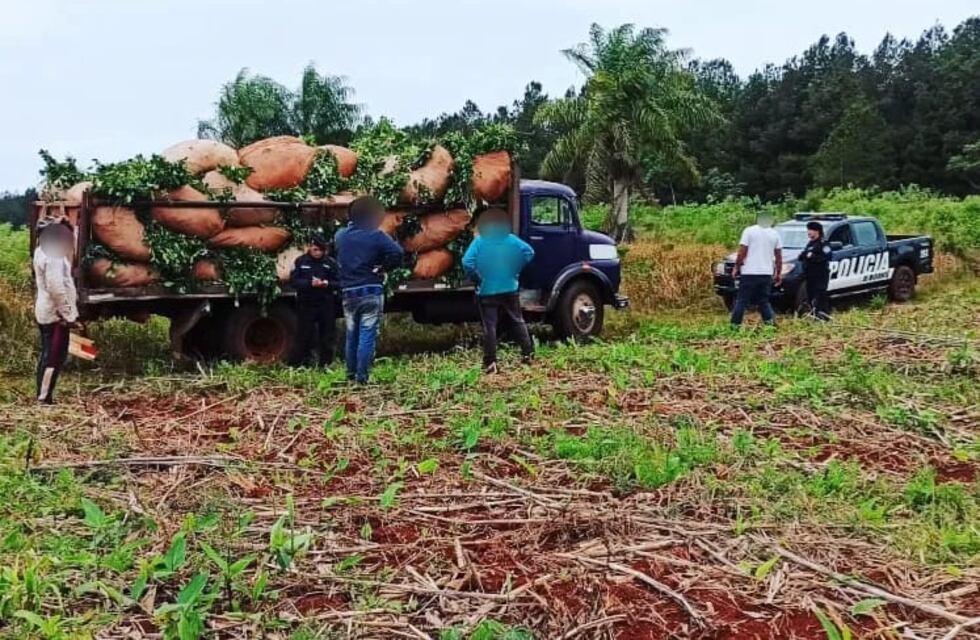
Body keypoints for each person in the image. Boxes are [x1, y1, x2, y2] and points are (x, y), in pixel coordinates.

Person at [334, 196, 404, 384]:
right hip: (370, 291)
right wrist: (383, 268)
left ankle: (350, 376)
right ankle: (362, 378)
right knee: (367, 334)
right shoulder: (376, 235)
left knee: (351, 335)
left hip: (348, 293)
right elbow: (397, 253)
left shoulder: (340, 236)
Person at [461, 207, 536, 374]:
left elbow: (467, 262)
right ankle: (528, 355)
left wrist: (477, 278)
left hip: (487, 290)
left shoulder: (480, 241)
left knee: (490, 326)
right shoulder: (510, 239)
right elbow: (529, 252)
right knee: (517, 320)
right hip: (510, 287)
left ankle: (491, 363)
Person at [33, 221, 78, 404]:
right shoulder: (53, 255)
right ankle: (44, 397)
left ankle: (45, 395)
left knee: (51, 353)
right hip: (55, 314)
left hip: (48, 310)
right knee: (53, 356)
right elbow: (56, 288)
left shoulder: (41, 250)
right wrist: (68, 314)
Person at [290, 234, 340, 366]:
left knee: (327, 336)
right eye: (315, 250)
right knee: (304, 336)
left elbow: (339, 283)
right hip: (307, 303)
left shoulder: (330, 263)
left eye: (320, 250)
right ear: (310, 248)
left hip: (325, 304)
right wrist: (309, 284)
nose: (318, 253)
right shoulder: (301, 261)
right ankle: (301, 364)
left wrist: (326, 284)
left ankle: (325, 365)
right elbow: (294, 281)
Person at [731, 212, 783, 327]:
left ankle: (734, 325)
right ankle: (771, 326)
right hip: (766, 273)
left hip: (749, 272)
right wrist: (778, 273)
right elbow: (779, 256)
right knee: (763, 301)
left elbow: (742, 251)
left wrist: (737, 267)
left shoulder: (749, 231)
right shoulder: (775, 234)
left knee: (742, 300)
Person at [799, 220, 832, 321]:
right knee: (811, 296)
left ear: (817, 231)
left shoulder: (824, 244)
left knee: (820, 296)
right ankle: (814, 315)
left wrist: (812, 256)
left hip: (820, 275)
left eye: (811, 230)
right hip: (809, 275)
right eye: (808, 230)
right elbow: (801, 256)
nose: (809, 232)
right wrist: (807, 255)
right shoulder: (810, 243)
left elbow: (827, 256)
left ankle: (824, 316)